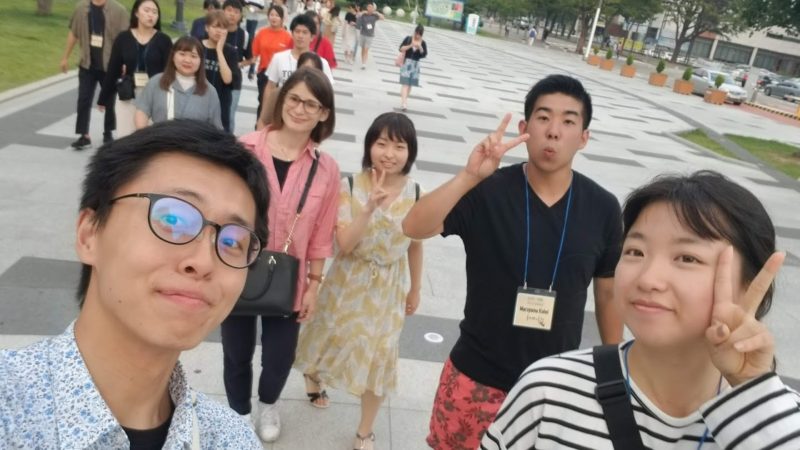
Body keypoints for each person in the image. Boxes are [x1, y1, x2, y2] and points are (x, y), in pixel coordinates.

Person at [0, 119, 269, 448]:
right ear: (89, 234)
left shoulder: (232, 439)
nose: (203, 262)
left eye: (231, 242)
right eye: (172, 219)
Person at [481, 171, 799, 449]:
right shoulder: (548, 391)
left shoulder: (782, 420)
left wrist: (751, 389)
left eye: (687, 258)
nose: (647, 279)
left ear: (751, 284)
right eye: (635, 251)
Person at [402, 74, 624, 449]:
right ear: (524, 128)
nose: (553, 131)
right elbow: (414, 226)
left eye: (568, 121)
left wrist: (614, 370)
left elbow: (608, 293)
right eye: (543, 117)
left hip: (556, 387)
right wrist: (468, 177)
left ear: (584, 137)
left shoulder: (602, 207)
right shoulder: (487, 189)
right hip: (476, 378)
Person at [221, 67, 340, 443]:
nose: (300, 109)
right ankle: (239, 413)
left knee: (279, 356)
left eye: (311, 104)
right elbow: (222, 210)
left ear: (323, 113)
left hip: (290, 275)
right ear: (281, 99)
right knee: (236, 352)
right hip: (239, 268)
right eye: (294, 99)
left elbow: (322, 233)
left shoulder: (326, 168)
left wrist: (314, 285)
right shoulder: (245, 149)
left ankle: (268, 403)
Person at [294, 112, 423, 450]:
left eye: (399, 146)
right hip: (348, 279)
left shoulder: (417, 193)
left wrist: (416, 288)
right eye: (382, 143)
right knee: (331, 335)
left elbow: (416, 244)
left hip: (389, 287)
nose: (389, 153)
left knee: (380, 355)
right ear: (369, 146)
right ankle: (313, 374)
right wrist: (367, 209)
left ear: (410, 152)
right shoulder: (349, 186)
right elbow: (345, 244)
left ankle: (364, 430)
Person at [97, 0, 172, 138]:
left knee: (150, 140)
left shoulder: (164, 40)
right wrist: (103, 98)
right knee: (126, 138)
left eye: (154, 12)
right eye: (146, 10)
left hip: (154, 96)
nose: (151, 15)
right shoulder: (123, 38)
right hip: (128, 94)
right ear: (136, 13)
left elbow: (170, 72)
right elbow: (113, 69)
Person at [60, 0, 128, 150]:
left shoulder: (119, 10)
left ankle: (108, 133)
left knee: (109, 101)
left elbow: (126, 39)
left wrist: (125, 61)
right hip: (87, 63)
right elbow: (73, 33)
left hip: (110, 65)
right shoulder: (81, 8)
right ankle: (84, 135)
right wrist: (65, 57)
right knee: (83, 99)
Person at [256, 14, 334, 129]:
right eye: (297, 31)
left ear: (312, 37)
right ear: (292, 33)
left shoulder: (321, 63)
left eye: (305, 32)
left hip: (306, 117)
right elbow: (270, 86)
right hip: (281, 113)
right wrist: (266, 111)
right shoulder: (279, 58)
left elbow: (328, 93)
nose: (300, 36)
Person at [135, 36, 223, 129]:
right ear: (173, 56)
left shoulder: (210, 92)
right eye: (182, 54)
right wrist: (144, 135)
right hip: (159, 138)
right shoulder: (156, 82)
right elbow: (142, 113)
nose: (187, 60)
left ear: (201, 61)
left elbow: (216, 129)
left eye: (193, 56)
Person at [251, 4, 293, 121]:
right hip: (264, 73)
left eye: (277, 15)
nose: (274, 18)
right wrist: (251, 69)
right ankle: (260, 126)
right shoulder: (261, 33)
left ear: (282, 19)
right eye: (271, 15)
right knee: (263, 101)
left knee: (278, 104)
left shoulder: (287, 37)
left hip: (281, 75)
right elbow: (254, 53)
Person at [202, 11, 239, 132]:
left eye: (223, 28)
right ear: (207, 28)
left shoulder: (231, 52)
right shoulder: (196, 46)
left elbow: (227, 79)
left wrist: (219, 50)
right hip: (198, 100)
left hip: (220, 103)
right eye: (215, 26)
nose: (219, 31)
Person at [222, 0, 251, 133]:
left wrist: (237, 64)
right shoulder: (216, 31)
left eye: (236, 12)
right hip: (214, 78)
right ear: (223, 11)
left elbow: (251, 58)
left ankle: (227, 142)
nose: (232, 14)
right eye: (229, 10)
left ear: (240, 15)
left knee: (228, 117)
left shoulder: (244, 35)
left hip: (234, 82)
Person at [397, 24, 427, 111]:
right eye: (416, 33)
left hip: (415, 65)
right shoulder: (408, 39)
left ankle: (404, 100)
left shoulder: (423, 43)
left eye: (419, 34)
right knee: (405, 84)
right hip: (406, 63)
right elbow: (401, 48)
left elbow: (424, 55)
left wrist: (420, 47)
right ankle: (404, 104)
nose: (417, 36)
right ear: (415, 32)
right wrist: (410, 45)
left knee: (410, 85)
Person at [356, 2, 383, 69]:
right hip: (363, 34)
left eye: (371, 7)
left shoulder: (374, 16)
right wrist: (362, 12)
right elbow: (357, 16)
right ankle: (363, 62)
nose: (370, 8)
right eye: (369, 7)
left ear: (373, 8)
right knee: (363, 49)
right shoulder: (364, 14)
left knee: (366, 49)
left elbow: (382, 18)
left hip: (370, 35)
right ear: (367, 8)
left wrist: (376, 13)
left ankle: (364, 64)